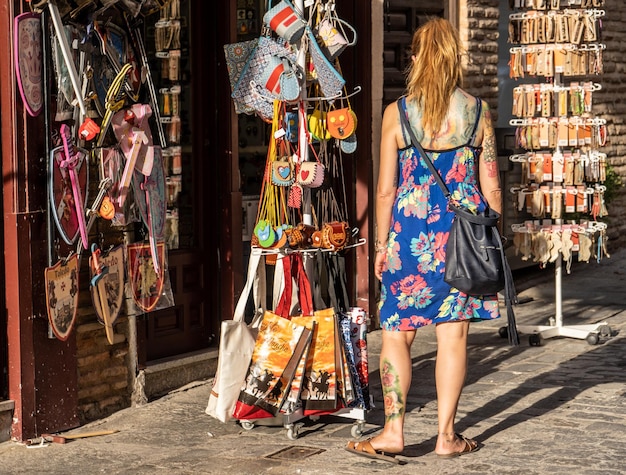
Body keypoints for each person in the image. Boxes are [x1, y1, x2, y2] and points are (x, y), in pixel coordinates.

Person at [346, 17, 502, 462]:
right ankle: (446, 437)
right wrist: (492, 237)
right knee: (453, 337)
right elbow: (491, 188)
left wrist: (379, 247)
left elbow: (384, 190)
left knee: (397, 332)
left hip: (408, 235)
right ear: (455, 59)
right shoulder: (477, 112)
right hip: (462, 235)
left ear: (415, 58)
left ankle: (393, 431)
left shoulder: (398, 114)